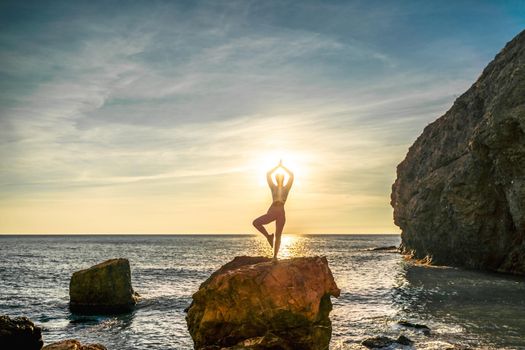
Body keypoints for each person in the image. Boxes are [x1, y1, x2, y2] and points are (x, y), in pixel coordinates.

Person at [252, 160, 294, 260]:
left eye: (281, 178)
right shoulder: (273, 187)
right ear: (276, 179)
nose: (279, 179)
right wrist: (277, 167)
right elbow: (268, 174)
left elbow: (291, 175)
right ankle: (268, 236)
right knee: (256, 223)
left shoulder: (286, 188)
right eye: (277, 178)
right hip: (273, 210)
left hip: (281, 212)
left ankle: (274, 257)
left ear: (283, 179)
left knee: (278, 235)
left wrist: (282, 167)